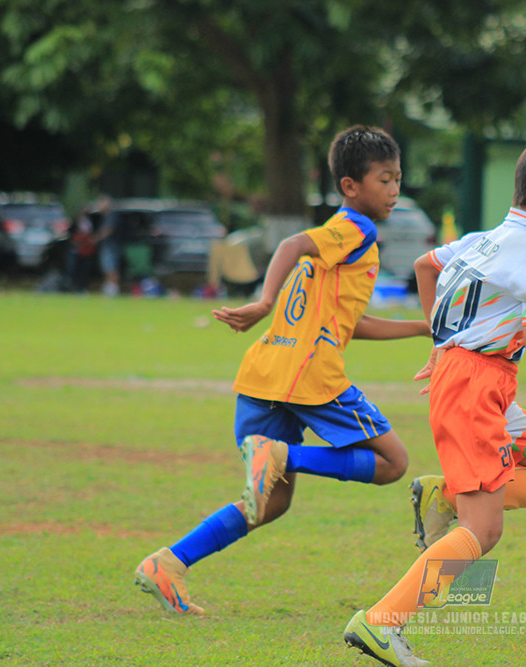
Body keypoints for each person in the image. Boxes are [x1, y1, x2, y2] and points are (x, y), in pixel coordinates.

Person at [342, 121, 526, 667]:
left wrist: (442, 341)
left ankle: (447, 498)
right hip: (476, 389)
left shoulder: (488, 237)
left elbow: (425, 265)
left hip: (485, 386)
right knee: (486, 529)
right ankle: (382, 622)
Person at [134, 125, 430, 615]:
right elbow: (291, 244)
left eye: (398, 178)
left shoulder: (340, 243)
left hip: (266, 373)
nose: (395, 189)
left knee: (269, 503)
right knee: (393, 464)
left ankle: (168, 564)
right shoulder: (355, 229)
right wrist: (265, 300)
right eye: (384, 179)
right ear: (350, 187)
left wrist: (421, 329)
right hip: (309, 376)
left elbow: (348, 325)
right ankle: (280, 454)